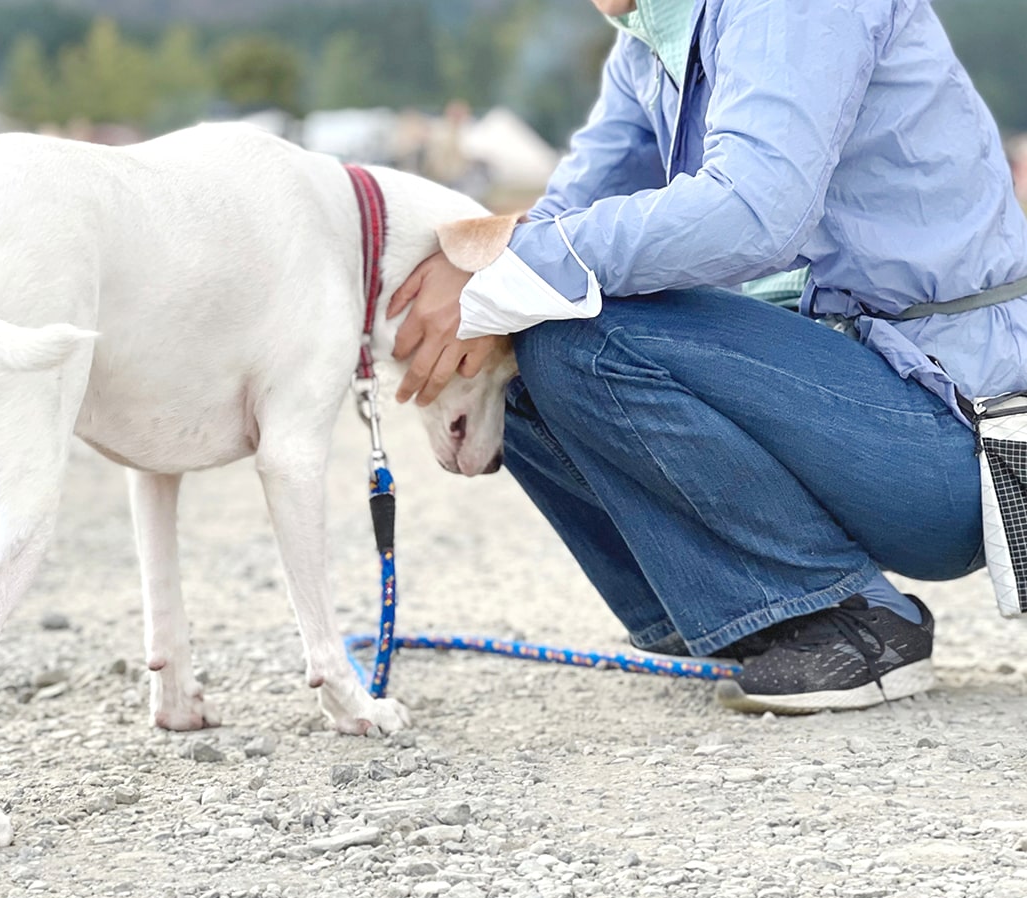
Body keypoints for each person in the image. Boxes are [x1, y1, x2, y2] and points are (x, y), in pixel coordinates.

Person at [388, 0, 1027, 714]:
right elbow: (567, 216)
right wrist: (479, 273)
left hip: (956, 434)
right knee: (527, 325)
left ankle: (850, 624)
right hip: (858, 409)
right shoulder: (652, 42)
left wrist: (500, 270)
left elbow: (754, 212)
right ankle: (742, 620)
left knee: (571, 330)